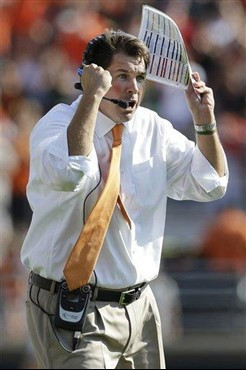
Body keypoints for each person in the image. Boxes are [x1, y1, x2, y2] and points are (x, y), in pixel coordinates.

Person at [21, 29, 228, 369]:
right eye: (122, 76)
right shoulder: (55, 124)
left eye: (139, 78)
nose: (133, 88)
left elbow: (211, 184)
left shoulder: (153, 128)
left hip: (141, 308)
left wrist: (204, 121)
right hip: (73, 308)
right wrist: (91, 98)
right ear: (94, 78)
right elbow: (72, 173)